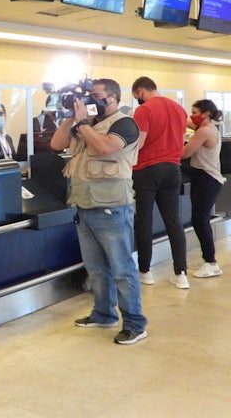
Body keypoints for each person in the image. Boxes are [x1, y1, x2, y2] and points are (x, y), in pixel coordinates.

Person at [50, 78, 148, 345]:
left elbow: (104, 147)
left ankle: (135, 324)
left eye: (96, 95)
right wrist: (72, 117)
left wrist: (83, 125)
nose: (90, 99)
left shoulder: (124, 123)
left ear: (112, 98)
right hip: (84, 206)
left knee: (121, 269)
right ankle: (104, 313)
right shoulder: (85, 125)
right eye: (88, 95)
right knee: (95, 269)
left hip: (113, 209)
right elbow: (57, 145)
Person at [131, 76, 189, 289]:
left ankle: (145, 272)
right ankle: (181, 273)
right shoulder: (178, 109)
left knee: (144, 219)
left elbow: (140, 142)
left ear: (140, 91)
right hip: (173, 169)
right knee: (173, 220)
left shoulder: (144, 110)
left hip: (147, 169)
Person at [182, 99, 225, 278]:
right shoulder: (207, 127)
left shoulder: (205, 131)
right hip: (202, 177)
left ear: (205, 114)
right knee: (200, 220)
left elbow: (184, 153)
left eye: (194, 112)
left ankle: (211, 262)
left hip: (207, 178)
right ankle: (208, 259)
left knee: (200, 221)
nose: (192, 116)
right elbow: (185, 121)